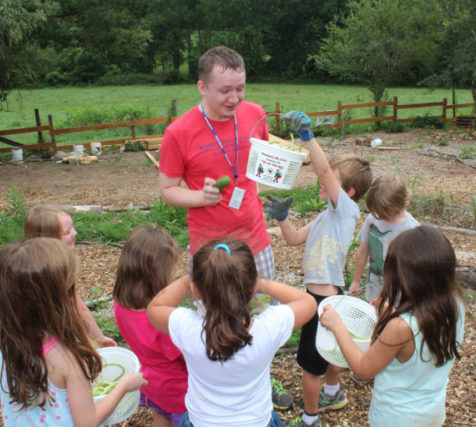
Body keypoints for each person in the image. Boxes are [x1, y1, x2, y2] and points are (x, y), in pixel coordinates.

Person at [158, 45, 291, 408]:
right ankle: (212, 384)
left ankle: (261, 375)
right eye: (225, 90)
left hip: (255, 239)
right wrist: (198, 198)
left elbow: (260, 164)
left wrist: (283, 168)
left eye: (241, 88)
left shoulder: (255, 114)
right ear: (202, 87)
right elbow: (168, 191)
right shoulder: (178, 132)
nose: (235, 98)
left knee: (260, 316)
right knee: (211, 319)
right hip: (210, 249)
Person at [266, 111, 372, 427]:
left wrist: (307, 138)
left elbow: (324, 170)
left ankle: (310, 418)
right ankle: (333, 393)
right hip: (328, 295)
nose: (320, 180)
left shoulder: (346, 211)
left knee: (310, 367)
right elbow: (295, 239)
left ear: (349, 191)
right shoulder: (326, 216)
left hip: (321, 300)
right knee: (330, 352)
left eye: (330, 180)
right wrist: (283, 218)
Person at [147, 238, 316, 427]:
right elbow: (308, 302)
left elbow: (155, 306)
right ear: (252, 288)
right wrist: (261, 284)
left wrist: (191, 277)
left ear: (195, 289)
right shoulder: (269, 328)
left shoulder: (186, 327)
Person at [0, 238, 146, 426]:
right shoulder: (68, 359)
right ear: (62, 297)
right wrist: (123, 386)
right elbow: (87, 422)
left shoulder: (5, 341)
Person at [320, 226, 465, 427]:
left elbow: (363, 369)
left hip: (395, 417)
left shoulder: (401, 327)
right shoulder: (455, 306)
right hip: (432, 411)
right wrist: (389, 314)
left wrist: (337, 326)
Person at [113, 227, 188, 427]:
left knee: (161, 415)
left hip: (151, 381)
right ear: (157, 274)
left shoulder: (120, 304)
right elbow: (188, 355)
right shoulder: (162, 321)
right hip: (179, 389)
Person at [24, 205, 116, 348]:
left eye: (72, 227)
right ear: (50, 238)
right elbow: (80, 309)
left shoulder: (24, 262)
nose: (75, 232)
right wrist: (98, 338)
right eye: (67, 232)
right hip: (54, 339)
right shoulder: (57, 269)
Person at [349, 175, 419, 303]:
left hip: (399, 296)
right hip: (375, 289)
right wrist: (356, 280)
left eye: (384, 213)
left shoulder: (412, 229)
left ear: (399, 204)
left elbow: (416, 268)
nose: (379, 216)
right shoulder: (373, 218)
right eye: (376, 212)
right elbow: (363, 250)